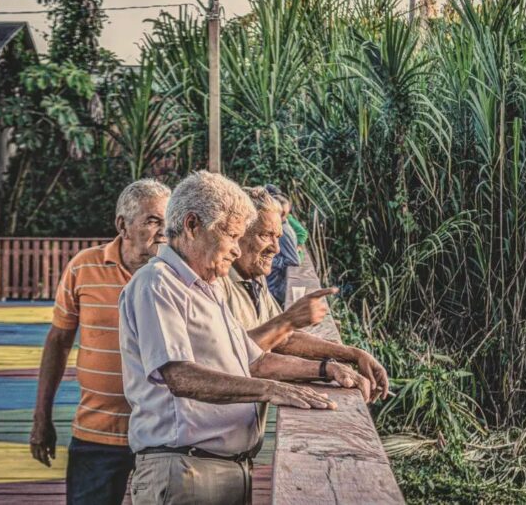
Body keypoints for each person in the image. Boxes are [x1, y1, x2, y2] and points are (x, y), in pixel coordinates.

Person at [119, 171, 371, 505]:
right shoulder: (157, 282)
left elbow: (253, 360)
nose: (238, 251)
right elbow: (179, 376)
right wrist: (270, 390)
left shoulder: (206, 287)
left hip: (226, 469)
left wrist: (328, 369)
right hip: (185, 469)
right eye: (233, 236)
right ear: (193, 226)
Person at [30, 179, 171, 505]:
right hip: (97, 433)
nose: (163, 231)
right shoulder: (84, 267)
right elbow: (58, 342)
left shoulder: (175, 274)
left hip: (163, 434)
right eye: (153, 221)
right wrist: (41, 419)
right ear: (122, 225)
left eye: (168, 221)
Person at [220, 187, 389, 402]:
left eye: (278, 237)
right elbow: (243, 357)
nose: (276, 248)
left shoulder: (254, 275)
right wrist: (325, 368)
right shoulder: (217, 283)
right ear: (237, 235)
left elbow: (282, 339)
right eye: (265, 235)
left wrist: (354, 354)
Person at [266, 194, 300, 305]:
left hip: (274, 288)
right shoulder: (279, 227)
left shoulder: (284, 231)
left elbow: (294, 260)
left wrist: (270, 260)